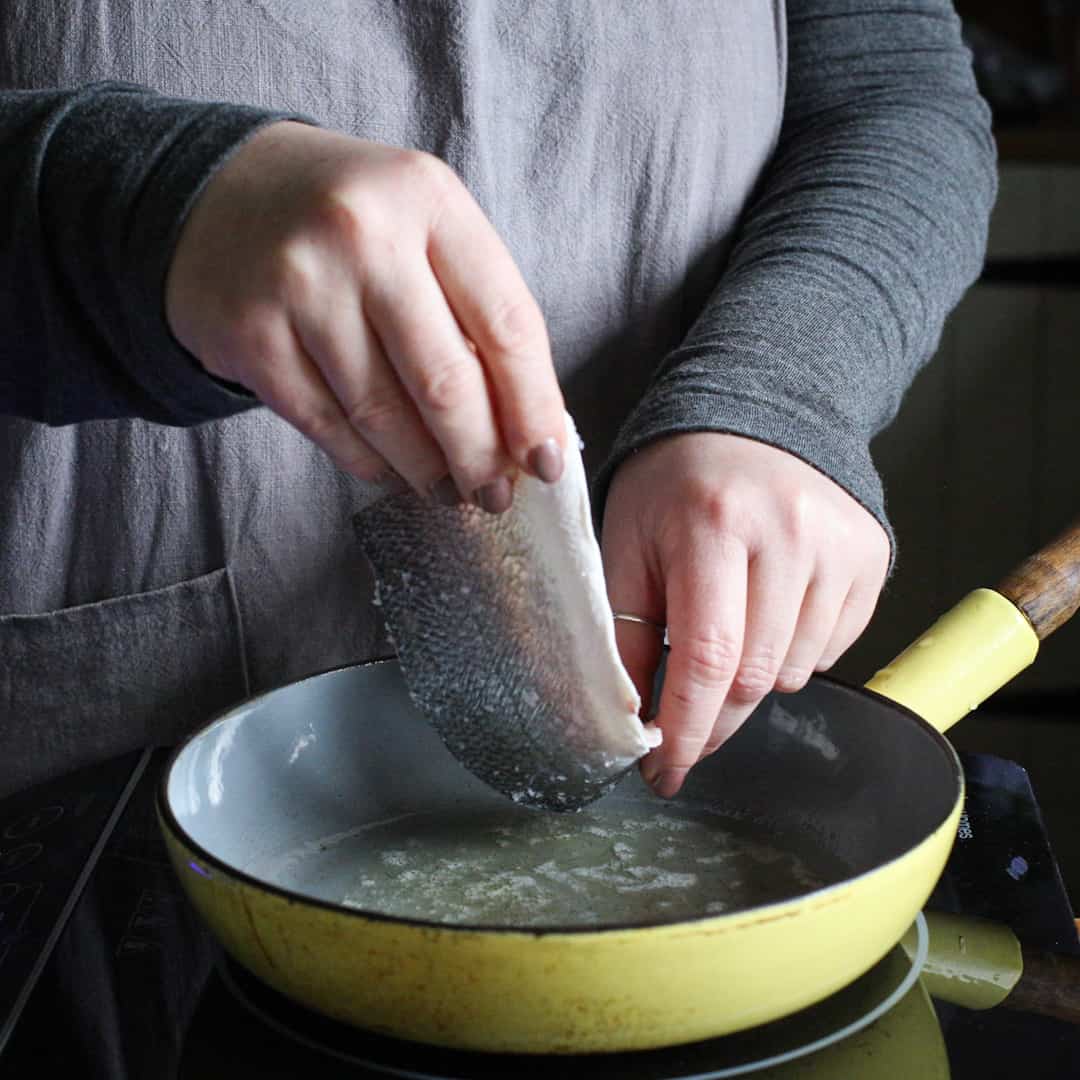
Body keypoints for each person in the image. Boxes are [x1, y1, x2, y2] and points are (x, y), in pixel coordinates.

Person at [0, 1, 995, 801]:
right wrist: (148, 203)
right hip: (99, 783)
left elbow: (892, 95)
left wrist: (780, 387)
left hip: (662, 691)